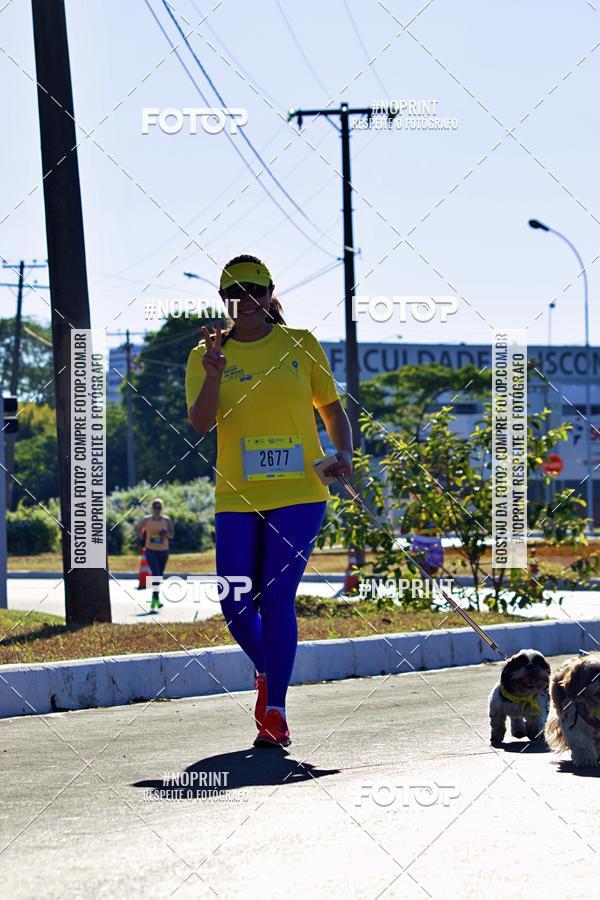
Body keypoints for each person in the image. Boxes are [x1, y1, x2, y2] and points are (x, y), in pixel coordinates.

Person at [186, 254, 353, 747]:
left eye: (255, 291)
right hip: (236, 495)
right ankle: (269, 669)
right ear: (224, 301)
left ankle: (275, 710)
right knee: (236, 600)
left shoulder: (300, 344)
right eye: (234, 294)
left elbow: (331, 409)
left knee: (276, 595)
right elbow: (200, 423)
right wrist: (215, 373)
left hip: (299, 491)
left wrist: (342, 452)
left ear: (269, 292)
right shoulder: (205, 355)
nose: (246, 302)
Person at [136, 499, 175, 612]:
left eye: (159, 507)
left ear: (161, 509)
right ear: (152, 508)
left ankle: (155, 597)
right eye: (155, 507)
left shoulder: (166, 520)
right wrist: (141, 536)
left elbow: (172, 535)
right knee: (156, 573)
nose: (157, 510)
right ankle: (155, 598)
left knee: (159, 575)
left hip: (164, 550)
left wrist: (165, 533)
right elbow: (138, 530)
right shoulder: (146, 520)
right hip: (150, 550)